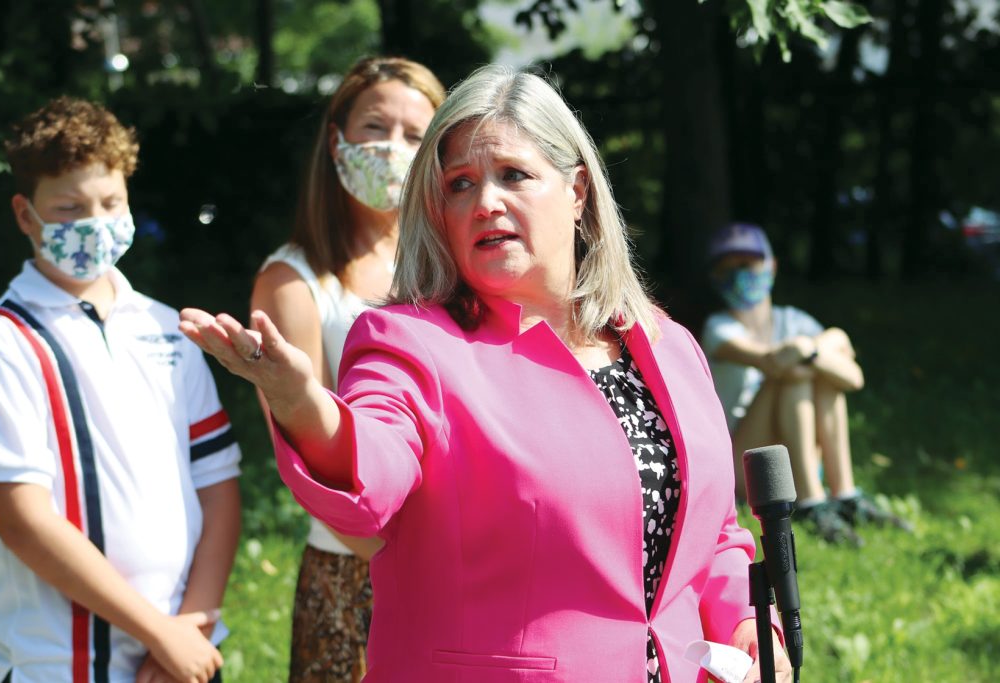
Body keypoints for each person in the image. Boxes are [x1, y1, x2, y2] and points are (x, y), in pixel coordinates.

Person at [181, 66, 791, 682]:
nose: (485, 202)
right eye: (460, 184)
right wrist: (301, 403)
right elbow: (374, 469)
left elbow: (713, 534)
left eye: (513, 175)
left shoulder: (667, 344)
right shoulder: (410, 341)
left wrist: (749, 625)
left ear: (577, 190)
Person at [0, 97, 241, 683]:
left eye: (110, 203)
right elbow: (20, 518)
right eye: (68, 208)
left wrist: (188, 631)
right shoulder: (1, 340)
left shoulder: (169, 327)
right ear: (25, 215)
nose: (92, 223)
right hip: (57, 664)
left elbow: (219, 487)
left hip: (184, 654)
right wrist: (159, 633)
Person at [250, 56, 444, 682]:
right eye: (374, 127)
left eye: (416, 135)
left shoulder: (451, 268)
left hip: (465, 555)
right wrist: (410, 560)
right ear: (337, 140)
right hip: (358, 568)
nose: (394, 149)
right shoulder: (294, 281)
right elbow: (303, 453)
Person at [701, 222, 911, 546]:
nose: (739, 275)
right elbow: (771, 361)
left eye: (747, 265)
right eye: (727, 269)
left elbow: (853, 378)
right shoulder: (719, 328)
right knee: (793, 378)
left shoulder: (794, 322)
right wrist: (823, 345)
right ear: (715, 278)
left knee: (818, 375)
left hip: (792, 455)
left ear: (771, 267)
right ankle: (812, 501)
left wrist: (810, 349)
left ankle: (844, 495)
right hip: (744, 468)